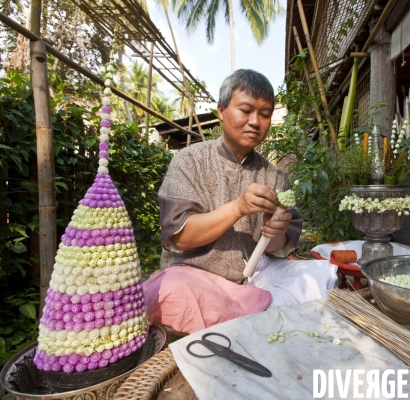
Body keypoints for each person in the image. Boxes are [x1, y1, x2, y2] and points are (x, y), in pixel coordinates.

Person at [143, 70, 337, 335]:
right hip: (195, 277)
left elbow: (277, 249)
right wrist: (238, 207)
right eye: (245, 110)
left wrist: (276, 232)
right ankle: (254, 316)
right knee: (174, 289)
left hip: (254, 277)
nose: (255, 122)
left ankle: (246, 314)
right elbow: (182, 238)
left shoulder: (274, 175)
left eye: (265, 114)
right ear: (221, 111)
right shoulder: (189, 161)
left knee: (315, 275)